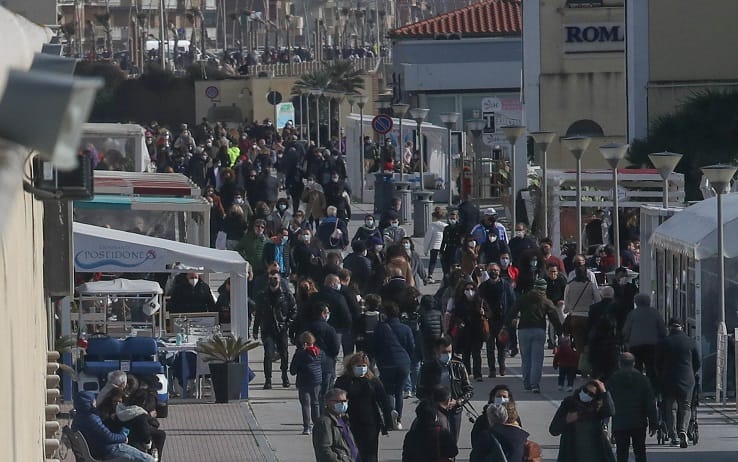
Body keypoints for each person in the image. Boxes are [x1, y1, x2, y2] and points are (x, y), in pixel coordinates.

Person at [334, 352, 393, 462]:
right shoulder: (343, 381)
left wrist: (388, 421)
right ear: (351, 366)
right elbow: (334, 399)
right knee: (353, 452)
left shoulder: (373, 381)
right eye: (358, 366)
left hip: (371, 423)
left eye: (363, 366)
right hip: (350, 421)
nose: (361, 368)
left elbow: (384, 402)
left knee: (370, 454)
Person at [505, 278, 562, 393]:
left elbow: (512, 311)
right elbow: (554, 318)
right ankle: (535, 384)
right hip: (539, 330)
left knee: (525, 359)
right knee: (537, 359)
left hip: (523, 330)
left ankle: (526, 384)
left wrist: (506, 325)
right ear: (544, 289)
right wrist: (561, 332)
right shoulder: (546, 301)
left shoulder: (524, 298)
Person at [417, 336, 474, 443]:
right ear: (436, 351)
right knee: (437, 442)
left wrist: (458, 401)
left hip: (455, 410)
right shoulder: (427, 368)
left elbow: (469, 390)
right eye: (444, 352)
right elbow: (420, 392)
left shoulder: (459, 366)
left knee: (452, 442)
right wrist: (436, 403)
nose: (447, 355)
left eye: (449, 352)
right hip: (435, 411)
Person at [656, 318, 701, 448]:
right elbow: (697, 362)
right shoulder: (691, 342)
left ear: (669, 327)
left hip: (668, 379)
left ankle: (673, 435)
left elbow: (657, 363)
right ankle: (683, 430)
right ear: (682, 327)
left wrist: (661, 374)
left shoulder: (663, 343)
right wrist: (691, 372)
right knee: (686, 406)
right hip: (687, 379)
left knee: (671, 407)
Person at [72, 391, 154, 461]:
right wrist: (123, 437)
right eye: (93, 400)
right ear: (89, 403)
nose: (95, 401)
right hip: (108, 449)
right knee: (149, 459)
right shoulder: (92, 418)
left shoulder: (79, 417)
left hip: (98, 448)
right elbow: (109, 437)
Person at [607, 352, 658, 462]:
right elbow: (650, 402)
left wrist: (604, 421)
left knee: (622, 453)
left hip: (620, 422)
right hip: (639, 422)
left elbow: (607, 401)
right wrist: (653, 423)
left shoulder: (613, 380)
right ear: (634, 363)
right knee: (640, 452)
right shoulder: (643, 380)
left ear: (619, 364)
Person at [549, 380, 616, 462]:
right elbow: (553, 430)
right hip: (572, 453)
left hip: (594, 453)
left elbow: (611, 411)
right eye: (585, 390)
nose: (586, 394)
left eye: (591, 394)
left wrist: (604, 392)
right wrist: (566, 420)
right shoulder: (569, 403)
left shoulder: (596, 409)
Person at [371, 302, 415, 430]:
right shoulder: (405, 328)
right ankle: (399, 420)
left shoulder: (380, 328)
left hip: (386, 362)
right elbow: (411, 346)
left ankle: (390, 415)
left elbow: (375, 346)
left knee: (388, 391)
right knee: (399, 392)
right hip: (403, 362)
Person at [253, 270, 297, 389]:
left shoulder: (286, 294)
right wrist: (255, 329)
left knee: (284, 353)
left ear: (279, 280)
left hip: (281, 329)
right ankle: (268, 380)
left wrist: (287, 324)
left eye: (276, 279)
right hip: (267, 329)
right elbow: (258, 314)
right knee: (268, 354)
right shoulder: (262, 295)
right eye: (271, 278)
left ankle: (284, 375)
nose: (273, 281)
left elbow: (293, 310)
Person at [478, 263, 516, 378]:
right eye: (491, 270)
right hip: (488, 320)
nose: (493, 272)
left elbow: (512, 301)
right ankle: (492, 369)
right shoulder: (483, 286)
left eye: (495, 270)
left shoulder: (506, 285)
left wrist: (513, 317)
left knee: (502, 346)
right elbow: (478, 302)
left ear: (499, 272)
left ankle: (502, 365)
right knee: (490, 347)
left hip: (502, 319)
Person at [446, 280, 488, 381]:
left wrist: (483, 313)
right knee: (466, 353)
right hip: (464, 331)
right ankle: (467, 372)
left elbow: (489, 314)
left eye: (472, 289)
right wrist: (459, 322)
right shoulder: (460, 302)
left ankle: (478, 374)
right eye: (467, 289)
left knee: (476, 353)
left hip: (477, 331)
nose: (470, 291)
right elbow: (454, 316)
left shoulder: (480, 301)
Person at [623, 294, 667, 385]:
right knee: (651, 368)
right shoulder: (655, 313)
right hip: (652, 346)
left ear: (636, 302)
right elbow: (663, 330)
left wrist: (626, 341)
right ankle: (652, 389)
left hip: (635, 346)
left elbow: (626, 331)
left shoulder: (632, 314)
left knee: (637, 367)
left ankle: (638, 386)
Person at [306, 303, 341, 412]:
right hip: (327, 364)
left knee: (314, 395)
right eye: (327, 313)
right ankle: (325, 414)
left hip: (312, 364)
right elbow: (336, 348)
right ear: (323, 314)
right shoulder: (330, 329)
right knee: (326, 393)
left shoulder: (309, 328)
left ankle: (316, 416)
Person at [290, 331, 325, 435]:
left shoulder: (300, 354)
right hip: (316, 380)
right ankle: (317, 426)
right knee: (315, 402)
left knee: (305, 404)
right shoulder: (320, 352)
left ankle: (307, 427)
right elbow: (323, 364)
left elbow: (293, 370)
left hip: (303, 381)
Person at [312, 388, 360, 462]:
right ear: (327, 402)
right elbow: (324, 450)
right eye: (337, 401)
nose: (342, 404)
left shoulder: (343, 419)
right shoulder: (324, 422)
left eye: (344, 401)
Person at [563, 265, 601, 352]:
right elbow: (597, 299)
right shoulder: (591, 285)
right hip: (588, 316)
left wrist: (569, 310)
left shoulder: (569, 285)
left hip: (575, 317)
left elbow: (566, 301)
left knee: (578, 342)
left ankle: (579, 359)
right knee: (589, 341)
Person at [424, 207, 448, 283]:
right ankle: (445, 276)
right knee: (444, 261)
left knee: (432, 261)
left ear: (434, 217)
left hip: (434, 246)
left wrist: (425, 249)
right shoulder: (445, 226)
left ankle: (430, 276)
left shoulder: (432, 225)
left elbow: (428, 238)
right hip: (443, 246)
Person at [418, 295, 444, 362]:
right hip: (437, 337)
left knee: (428, 356)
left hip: (427, 338)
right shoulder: (439, 313)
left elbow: (421, 327)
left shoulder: (422, 314)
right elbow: (442, 326)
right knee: (437, 355)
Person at [439, 209, 463, 276]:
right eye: (451, 218)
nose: (452, 219)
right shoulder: (446, 228)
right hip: (448, 248)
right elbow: (443, 240)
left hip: (456, 249)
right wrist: (441, 251)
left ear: (457, 217)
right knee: (446, 267)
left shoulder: (459, 228)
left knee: (455, 266)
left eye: (454, 217)